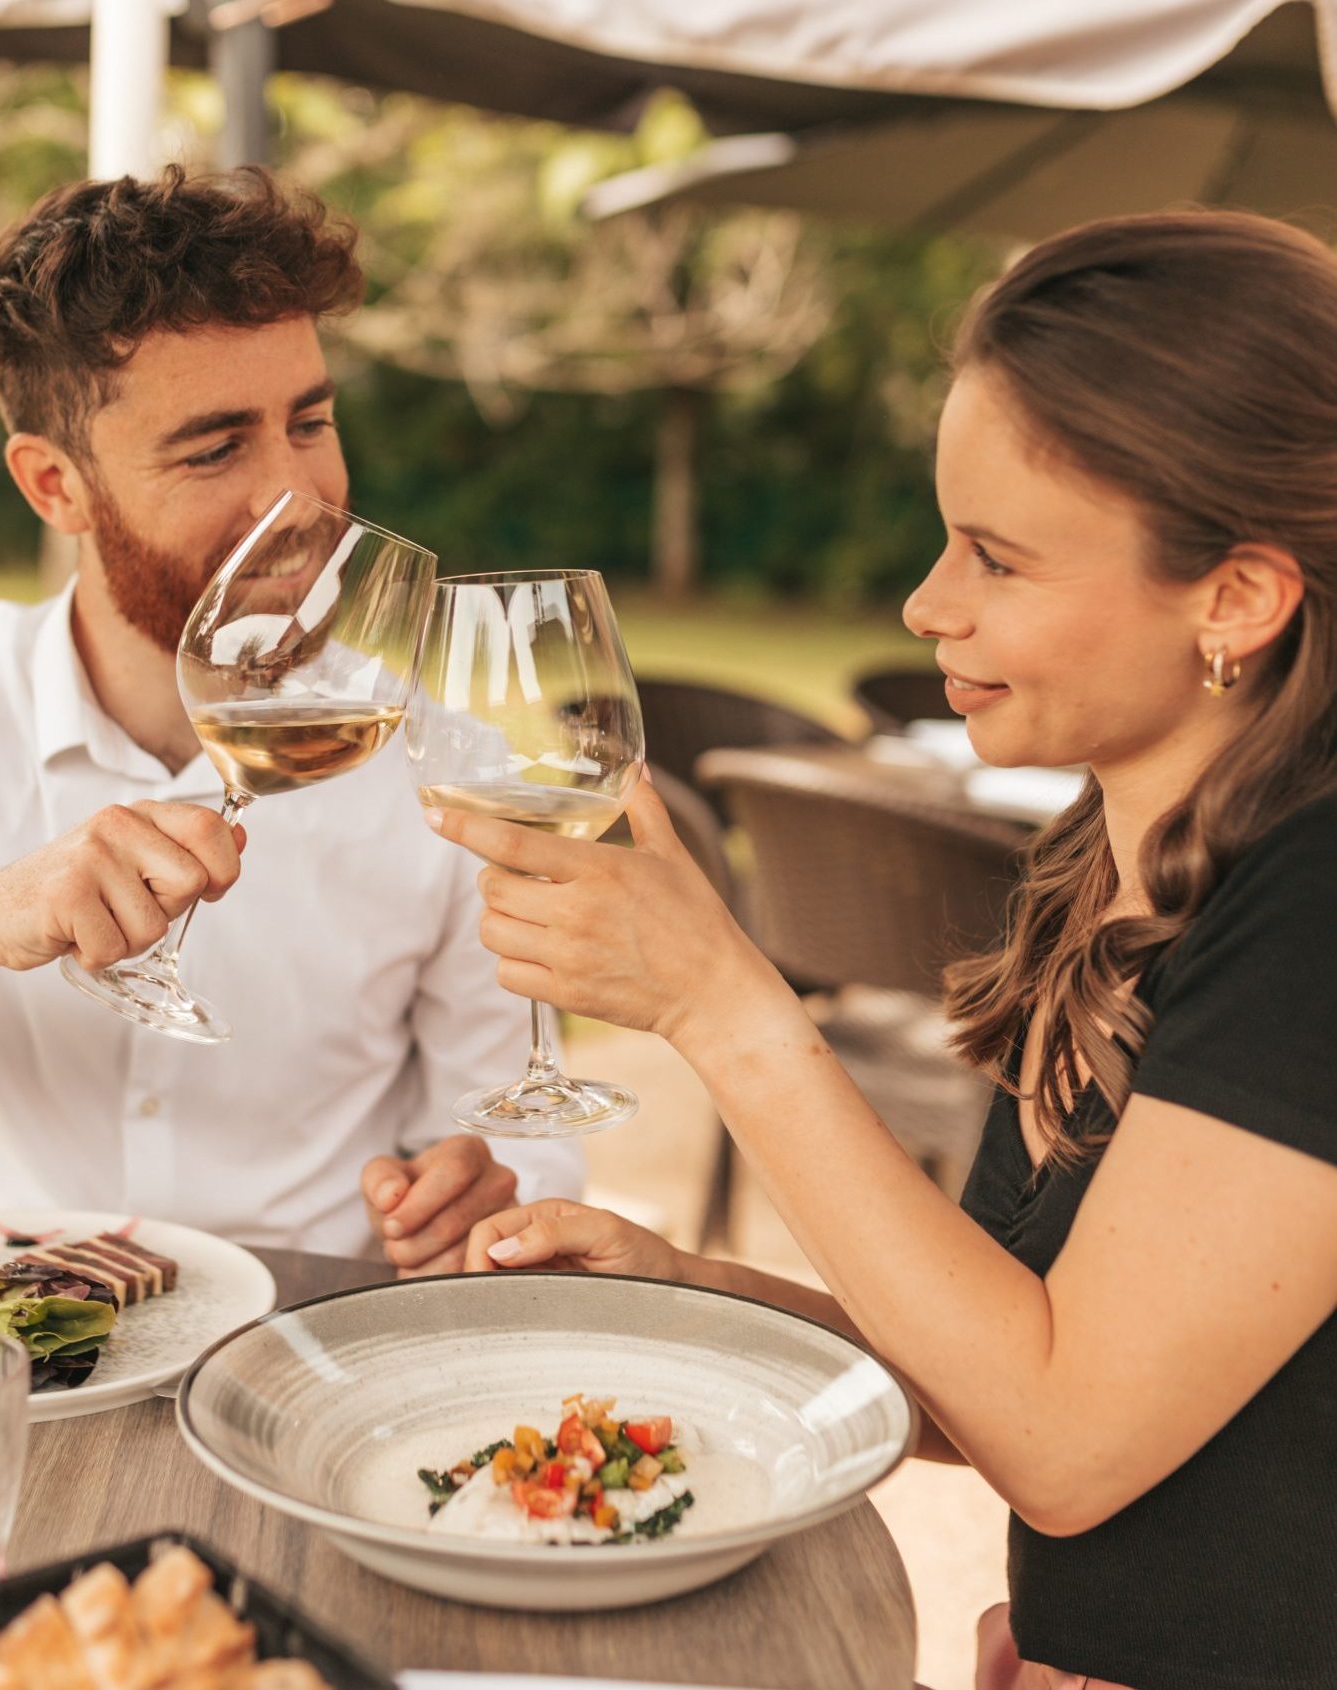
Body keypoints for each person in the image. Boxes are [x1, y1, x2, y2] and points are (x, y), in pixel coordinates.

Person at [441, 211, 1337, 1689]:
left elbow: (1061, 1442)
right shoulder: (1097, 852)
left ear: (1233, 596)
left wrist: (723, 1002)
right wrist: (703, 1290)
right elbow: (1005, 1360)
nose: (926, 604)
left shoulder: (1313, 902)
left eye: (992, 556)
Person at [0, 167, 581, 1267]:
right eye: (217, 445)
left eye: (309, 420)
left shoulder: (439, 760)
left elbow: (518, 1130)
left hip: (309, 1351)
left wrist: (480, 1186)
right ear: (53, 486)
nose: (304, 497)